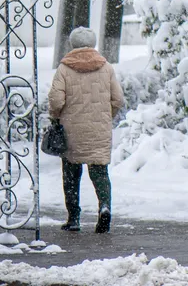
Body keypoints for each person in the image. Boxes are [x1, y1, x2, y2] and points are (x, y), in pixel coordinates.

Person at [48, 26, 124, 233]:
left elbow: (56, 100)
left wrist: (56, 117)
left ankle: (73, 218)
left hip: (71, 129)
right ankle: (105, 207)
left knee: (71, 174)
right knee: (99, 170)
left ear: (72, 44)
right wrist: (106, 115)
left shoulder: (64, 69)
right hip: (99, 128)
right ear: (93, 43)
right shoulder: (106, 67)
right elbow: (118, 99)